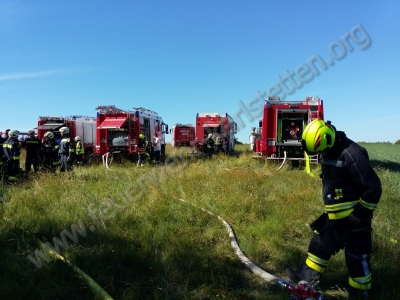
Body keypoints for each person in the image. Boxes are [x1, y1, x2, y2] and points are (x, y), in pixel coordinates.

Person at [285, 119, 382, 300]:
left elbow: (373, 188)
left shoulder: (354, 154)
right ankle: (306, 279)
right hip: (335, 218)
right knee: (319, 245)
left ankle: (360, 294)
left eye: (321, 150)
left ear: (327, 139)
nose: (321, 153)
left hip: (355, 221)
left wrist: (360, 213)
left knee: (357, 259)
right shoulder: (329, 150)